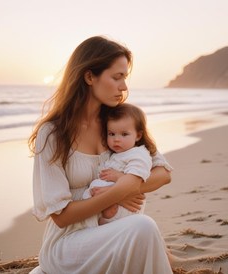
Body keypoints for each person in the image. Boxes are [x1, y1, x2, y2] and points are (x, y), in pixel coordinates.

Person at [28, 36, 173, 274]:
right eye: (117, 77)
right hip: (68, 243)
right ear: (89, 76)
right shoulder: (53, 134)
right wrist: (117, 193)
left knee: (140, 229)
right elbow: (62, 217)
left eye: (124, 78)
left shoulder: (116, 123)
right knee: (143, 227)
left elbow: (163, 173)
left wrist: (127, 187)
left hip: (114, 230)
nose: (124, 87)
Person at [82, 103, 157, 226]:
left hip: (127, 206)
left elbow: (138, 177)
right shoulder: (118, 153)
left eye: (124, 134)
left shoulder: (138, 154)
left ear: (138, 135)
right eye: (112, 134)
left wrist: (117, 179)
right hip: (112, 203)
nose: (116, 139)